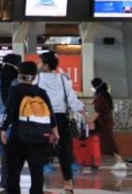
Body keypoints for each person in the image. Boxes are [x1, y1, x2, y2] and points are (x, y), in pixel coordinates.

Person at [0, 61, 59, 194]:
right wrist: (55, 133)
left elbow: (9, 113)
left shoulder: (15, 91)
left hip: (18, 137)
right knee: (37, 173)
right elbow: (51, 114)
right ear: (34, 77)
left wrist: (3, 129)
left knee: (13, 172)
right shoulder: (41, 92)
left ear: (19, 75)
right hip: (39, 139)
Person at [35, 51, 85, 194]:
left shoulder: (37, 79)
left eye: (40, 62)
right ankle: (68, 183)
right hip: (60, 118)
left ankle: (39, 184)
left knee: (39, 151)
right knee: (63, 152)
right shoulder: (63, 80)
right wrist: (85, 115)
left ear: (45, 65)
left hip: (42, 118)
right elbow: (72, 100)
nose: (38, 65)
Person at [0, 53, 21, 193]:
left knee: (5, 158)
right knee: (13, 159)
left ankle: (4, 184)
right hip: (11, 125)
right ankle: (9, 186)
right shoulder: (16, 83)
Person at [88, 78, 125, 169]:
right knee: (102, 142)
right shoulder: (105, 96)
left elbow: (97, 112)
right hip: (106, 122)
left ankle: (119, 161)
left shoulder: (100, 98)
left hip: (104, 123)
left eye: (92, 87)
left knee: (110, 142)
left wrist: (89, 121)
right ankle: (97, 161)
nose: (92, 89)